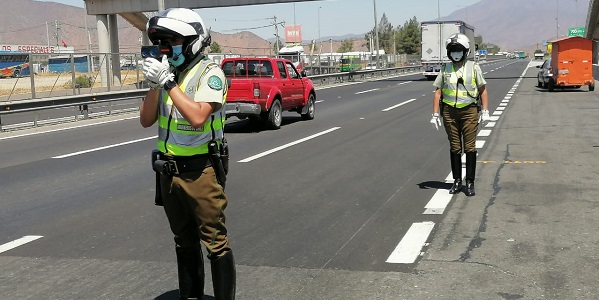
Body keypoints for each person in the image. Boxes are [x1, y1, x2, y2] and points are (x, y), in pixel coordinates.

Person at [139, 8, 235, 300]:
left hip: (201, 171)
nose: (165, 50)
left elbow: (198, 117)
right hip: (169, 172)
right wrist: (155, 86)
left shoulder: (210, 74)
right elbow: (146, 119)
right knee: (183, 241)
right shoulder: (169, 74)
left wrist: (169, 83)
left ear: (194, 40)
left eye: (172, 42)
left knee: (215, 243)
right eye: (161, 43)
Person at [430, 33, 490, 197]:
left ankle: (469, 182)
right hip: (449, 112)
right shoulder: (445, 69)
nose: (455, 53)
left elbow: (483, 90)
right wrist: (435, 114)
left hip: (469, 111)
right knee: (455, 147)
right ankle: (457, 181)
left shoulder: (473, 67)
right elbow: (437, 93)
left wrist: (485, 110)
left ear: (465, 51)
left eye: (458, 50)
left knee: (469, 148)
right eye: (453, 50)